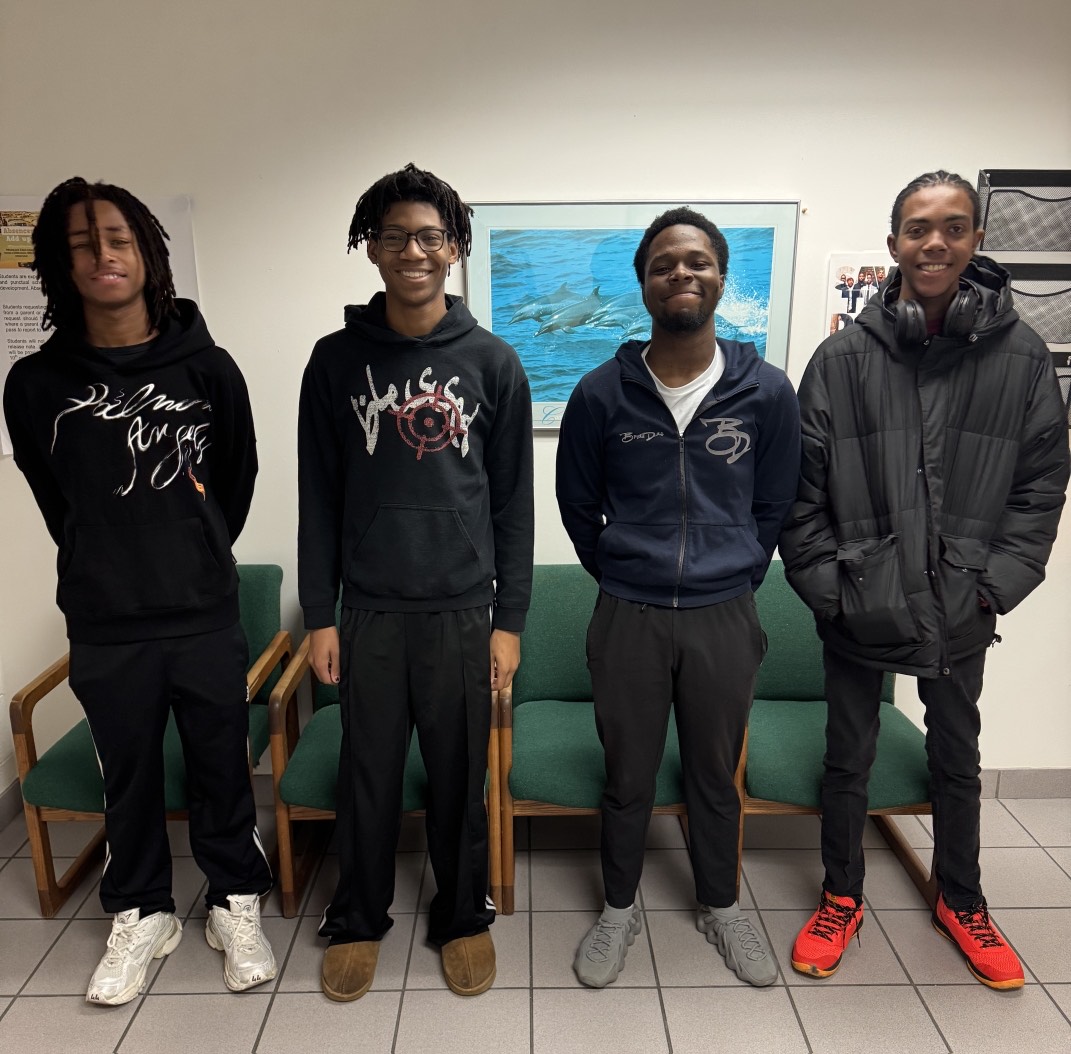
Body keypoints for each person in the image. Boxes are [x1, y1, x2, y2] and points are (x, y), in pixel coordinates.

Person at [780, 170, 1069, 990]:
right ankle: (841, 895)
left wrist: (991, 585)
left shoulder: (1019, 360)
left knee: (956, 757)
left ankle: (963, 900)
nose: (933, 242)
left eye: (950, 226)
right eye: (916, 228)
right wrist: (833, 589)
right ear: (893, 245)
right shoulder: (839, 359)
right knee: (848, 759)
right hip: (856, 603)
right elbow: (798, 497)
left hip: (962, 602)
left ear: (976, 238)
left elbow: (1040, 486)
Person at [3, 177, 274, 1005]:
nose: (103, 256)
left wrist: (191, 549)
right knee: (128, 776)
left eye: (118, 239)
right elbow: (58, 502)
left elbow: (237, 474)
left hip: (201, 612)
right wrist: (106, 558)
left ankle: (234, 902)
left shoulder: (209, 368)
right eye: (83, 243)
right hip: (106, 619)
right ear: (60, 261)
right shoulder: (33, 383)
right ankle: (143, 911)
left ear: (147, 252)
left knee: (221, 768)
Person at [298, 163, 534, 1001]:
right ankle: (357, 917)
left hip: (464, 610)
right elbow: (317, 498)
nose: (412, 250)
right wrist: (319, 616)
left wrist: (510, 620)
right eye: (394, 235)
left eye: (429, 236)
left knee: (458, 773)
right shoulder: (333, 363)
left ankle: (462, 915)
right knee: (365, 772)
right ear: (371, 248)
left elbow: (512, 503)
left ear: (454, 248)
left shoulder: (493, 362)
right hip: (366, 612)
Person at [555, 207, 801, 988]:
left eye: (696, 261)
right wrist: (626, 572)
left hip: (724, 615)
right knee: (626, 775)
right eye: (664, 263)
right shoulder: (600, 394)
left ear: (721, 278)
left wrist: (732, 574)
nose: (681, 274)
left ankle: (722, 907)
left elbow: (775, 504)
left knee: (712, 774)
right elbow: (576, 506)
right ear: (643, 283)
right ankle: (618, 909)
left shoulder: (765, 391)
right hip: (625, 614)